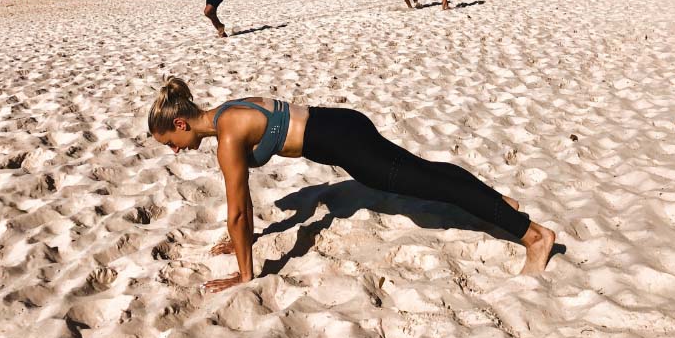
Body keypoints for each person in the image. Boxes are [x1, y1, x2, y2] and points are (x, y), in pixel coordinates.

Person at [148, 77, 557, 293]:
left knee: (434, 185)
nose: (175, 150)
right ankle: (501, 201)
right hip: (344, 121)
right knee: (430, 173)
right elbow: (242, 214)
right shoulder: (227, 111)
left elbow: (239, 208)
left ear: (180, 123)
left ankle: (534, 235)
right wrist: (239, 237)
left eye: (170, 142)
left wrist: (243, 274)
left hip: (348, 147)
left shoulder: (228, 138)